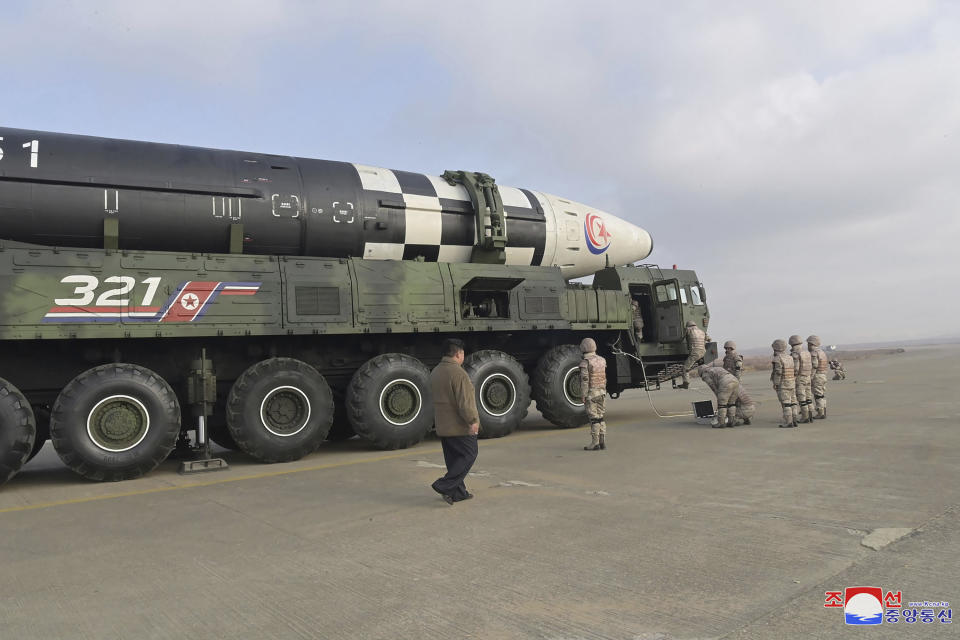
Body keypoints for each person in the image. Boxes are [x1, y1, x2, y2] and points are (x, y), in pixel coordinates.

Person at [430, 338, 480, 505]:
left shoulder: (436, 371)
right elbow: (464, 402)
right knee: (469, 454)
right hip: (459, 426)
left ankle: (458, 493)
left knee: (454, 460)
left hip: (443, 425)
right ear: (459, 353)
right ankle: (444, 485)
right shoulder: (458, 373)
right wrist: (473, 420)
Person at [579, 337, 608, 450]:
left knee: (594, 419)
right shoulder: (602, 360)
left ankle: (595, 443)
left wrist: (583, 395)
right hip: (602, 392)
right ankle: (602, 441)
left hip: (592, 394)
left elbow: (585, 380)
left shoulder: (585, 362)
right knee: (601, 417)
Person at [771, 339, 799, 428]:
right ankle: (795, 420)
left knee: (786, 402)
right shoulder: (790, 357)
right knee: (793, 402)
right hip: (792, 382)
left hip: (783, 383)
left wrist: (776, 383)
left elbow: (778, 372)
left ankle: (788, 422)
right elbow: (795, 370)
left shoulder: (777, 358)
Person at [789, 334, 814, 423]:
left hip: (800, 377)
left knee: (801, 397)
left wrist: (793, 376)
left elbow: (796, 367)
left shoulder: (796, 353)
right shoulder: (806, 352)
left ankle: (805, 417)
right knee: (808, 397)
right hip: (807, 376)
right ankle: (810, 415)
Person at [678, 320, 706, 389]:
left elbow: (681, 337)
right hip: (702, 352)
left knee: (685, 368)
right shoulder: (702, 331)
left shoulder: (688, 329)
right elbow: (709, 339)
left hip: (695, 352)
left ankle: (686, 383)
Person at [807, 335, 829, 419]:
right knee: (821, 394)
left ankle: (821, 413)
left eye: (809, 344)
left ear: (811, 343)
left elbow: (815, 365)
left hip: (817, 376)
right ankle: (823, 411)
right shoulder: (822, 352)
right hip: (823, 375)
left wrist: (810, 376)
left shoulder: (814, 353)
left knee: (818, 395)